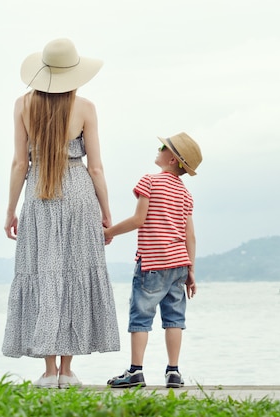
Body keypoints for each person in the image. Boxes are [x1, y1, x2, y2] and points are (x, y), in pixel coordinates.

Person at [2, 38, 120, 389]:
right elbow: (96, 167)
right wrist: (106, 211)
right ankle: (68, 372)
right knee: (74, 275)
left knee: (44, 275)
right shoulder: (85, 107)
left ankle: (48, 370)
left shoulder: (23, 105)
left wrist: (10, 211)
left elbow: (20, 163)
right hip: (80, 193)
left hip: (39, 194)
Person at [104, 132, 202, 388]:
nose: (158, 150)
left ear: (172, 159)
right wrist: (191, 270)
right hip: (179, 264)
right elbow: (190, 235)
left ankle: (136, 372)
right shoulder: (185, 194)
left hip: (153, 262)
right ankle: (173, 372)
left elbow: (139, 220)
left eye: (163, 147)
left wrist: (108, 232)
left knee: (141, 317)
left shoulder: (149, 181)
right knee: (174, 319)